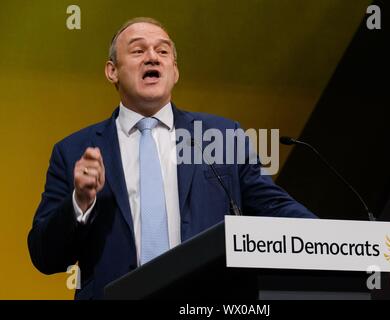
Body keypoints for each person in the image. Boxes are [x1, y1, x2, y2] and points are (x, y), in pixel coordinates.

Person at [27, 17, 316, 300]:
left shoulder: (221, 135)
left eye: (163, 51)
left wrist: (335, 241)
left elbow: (273, 206)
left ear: (174, 71)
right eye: (138, 50)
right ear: (112, 70)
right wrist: (80, 202)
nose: (152, 57)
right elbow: (44, 255)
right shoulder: (73, 150)